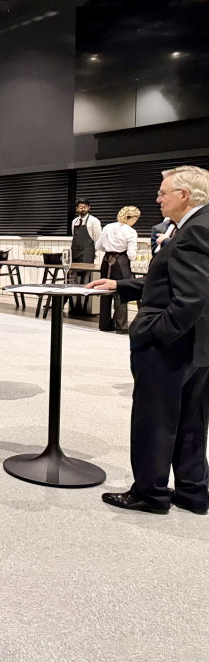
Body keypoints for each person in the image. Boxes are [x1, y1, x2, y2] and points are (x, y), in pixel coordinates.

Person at [89, 166, 209, 515]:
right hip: (198, 346)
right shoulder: (198, 227)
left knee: (154, 419)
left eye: (163, 193)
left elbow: (190, 299)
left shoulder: (193, 232)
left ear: (184, 195)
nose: (157, 198)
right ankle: (192, 492)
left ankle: (150, 493)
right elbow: (176, 281)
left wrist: (156, 332)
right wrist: (122, 285)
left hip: (172, 346)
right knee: (191, 420)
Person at [95, 206, 140, 334]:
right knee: (121, 292)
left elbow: (98, 245)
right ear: (132, 218)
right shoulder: (130, 231)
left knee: (104, 290)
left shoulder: (108, 226)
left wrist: (109, 248)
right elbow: (131, 254)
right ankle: (121, 326)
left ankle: (104, 325)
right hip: (121, 261)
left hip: (106, 260)